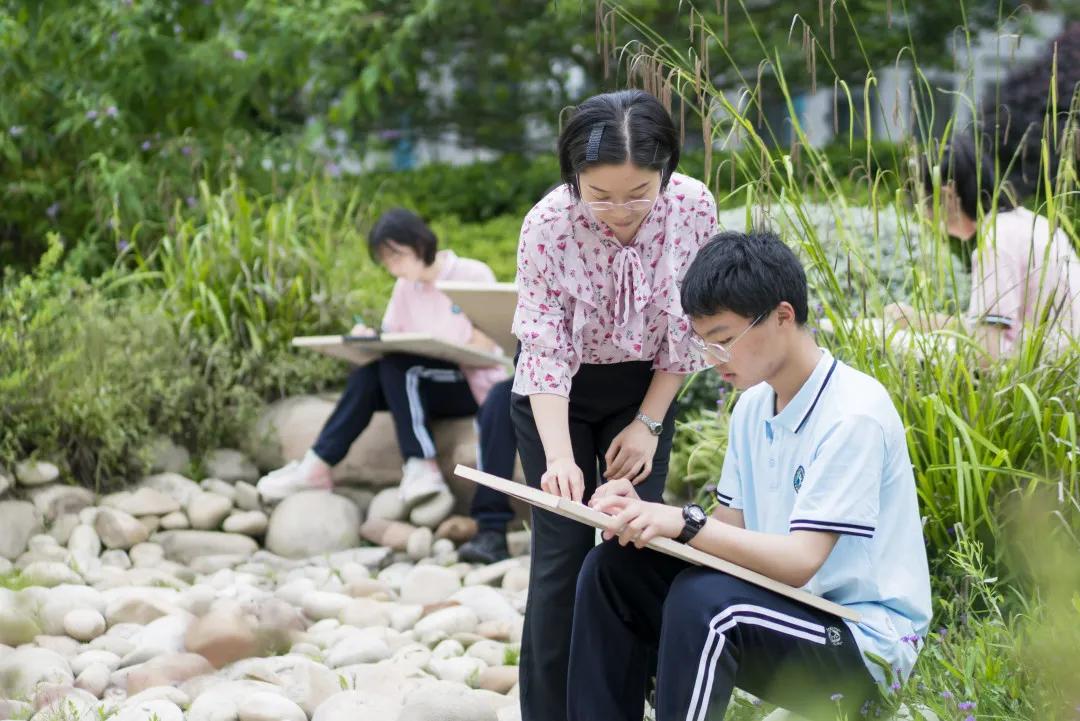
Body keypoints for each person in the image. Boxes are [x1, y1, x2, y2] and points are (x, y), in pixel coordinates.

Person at [567, 229, 933, 721]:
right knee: (611, 568)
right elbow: (728, 532)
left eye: (723, 341)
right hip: (785, 608)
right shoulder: (753, 407)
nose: (712, 360)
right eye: (704, 344)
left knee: (708, 603)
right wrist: (644, 519)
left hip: (861, 643)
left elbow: (801, 561)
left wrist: (683, 521)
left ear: (783, 316)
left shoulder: (853, 413)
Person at [510, 89, 717, 721]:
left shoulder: (692, 207)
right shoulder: (548, 225)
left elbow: (688, 328)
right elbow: (542, 349)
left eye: (639, 193)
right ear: (573, 176)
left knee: (630, 548)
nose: (620, 212)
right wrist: (559, 458)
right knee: (562, 556)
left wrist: (648, 423)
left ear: (666, 172)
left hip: (645, 392)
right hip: (556, 397)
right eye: (599, 195)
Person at [257, 208, 508, 511]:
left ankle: (422, 464)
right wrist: (368, 337)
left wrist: (434, 348)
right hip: (417, 382)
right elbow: (391, 336)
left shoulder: (471, 274)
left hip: (469, 381)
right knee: (369, 375)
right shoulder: (405, 288)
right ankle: (317, 464)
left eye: (396, 257)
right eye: (386, 261)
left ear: (419, 244)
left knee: (400, 367)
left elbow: (485, 344)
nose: (392, 267)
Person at [885, 135, 1080, 358]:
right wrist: (923, 320)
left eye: (923, 203)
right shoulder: (1034, 223)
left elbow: (987, 354)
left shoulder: (995, 243)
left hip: (1042, 368)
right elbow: (993, 328)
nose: (924, 217)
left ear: (948, 194)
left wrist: (918, 328)